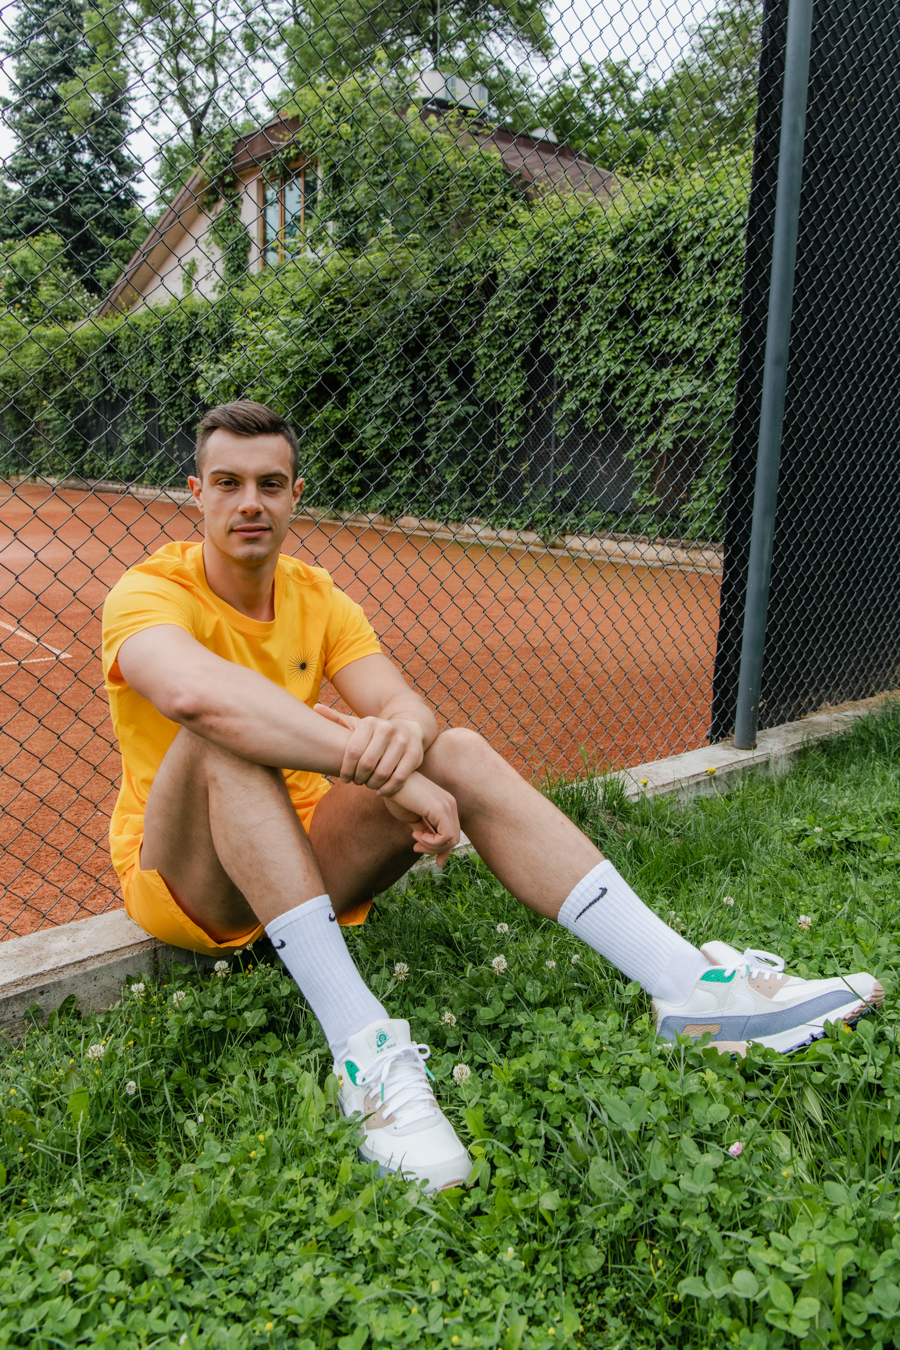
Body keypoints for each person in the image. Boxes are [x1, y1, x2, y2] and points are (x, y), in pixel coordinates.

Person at [102, 401, 883, 1193]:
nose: (250, 503)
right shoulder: (148, 592)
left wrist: (405, 745)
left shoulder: (316, 595)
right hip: (192, 878)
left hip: (302, 857)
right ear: (195, 493)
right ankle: (367, 1056)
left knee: (459, 751)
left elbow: (405, 707)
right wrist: (379, 769)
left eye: (270, 484)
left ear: (295, 495)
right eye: (228, 483)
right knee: (218, 738)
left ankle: (689, 987)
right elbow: (196, 696)